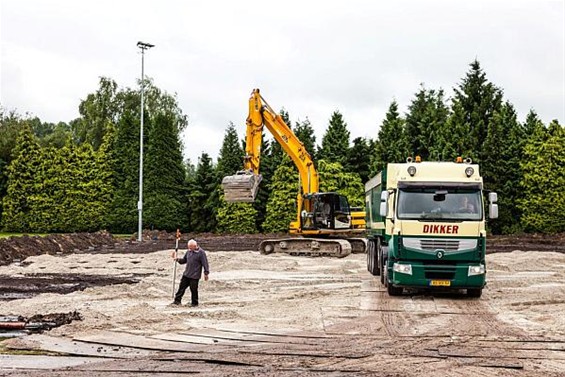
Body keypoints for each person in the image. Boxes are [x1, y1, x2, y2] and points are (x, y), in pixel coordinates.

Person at [171, 239, 210, 307]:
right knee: (181, 288)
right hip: (186, 274)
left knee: (193, 290)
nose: (189, 249)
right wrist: (177, 259)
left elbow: (205, 263)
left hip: (195, 276)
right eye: (188, 247)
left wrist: (206, 273)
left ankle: (194, 303)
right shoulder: (188, 252)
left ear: (195, 246)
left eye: (190, 247)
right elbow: (184, 260)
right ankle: (177, 301)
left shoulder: (201, 253)